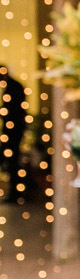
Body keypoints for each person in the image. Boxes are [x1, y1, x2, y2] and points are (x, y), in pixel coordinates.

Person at [0, 66, 28, 202]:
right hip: (11, 131)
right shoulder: (11, 86)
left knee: (12, 162)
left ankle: (15, 194)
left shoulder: (14, 87)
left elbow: (13, 111)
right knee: (10, 161)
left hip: (14, 131)